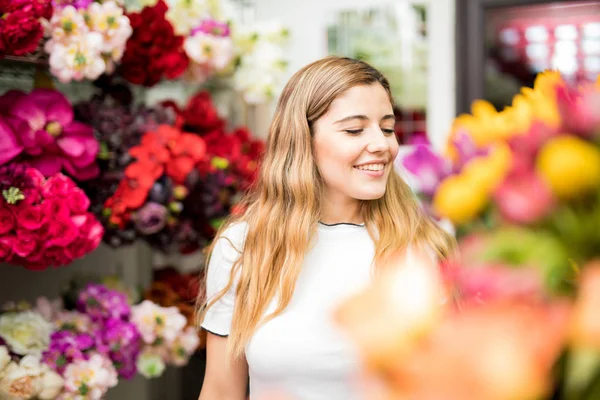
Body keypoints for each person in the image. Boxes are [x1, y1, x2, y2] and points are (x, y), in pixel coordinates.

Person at [196, 56, 455, 400]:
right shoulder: (244, 245)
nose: (382, 144)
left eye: (388, 127)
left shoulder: (424, 245)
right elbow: (219, 390)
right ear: (303, 139)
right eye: (354, 129)